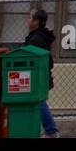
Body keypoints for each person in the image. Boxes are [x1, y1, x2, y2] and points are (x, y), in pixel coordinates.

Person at [24, 9, 58, 138]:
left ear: (36, 21)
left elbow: (37, 58)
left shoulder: (36, 39)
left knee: (39, 102)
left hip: (36, 75)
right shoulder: (40, 36)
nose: (28, 20)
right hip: (41, 75)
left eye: (30, 18)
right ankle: (50, 131)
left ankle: (51, 131)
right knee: (39, 101)